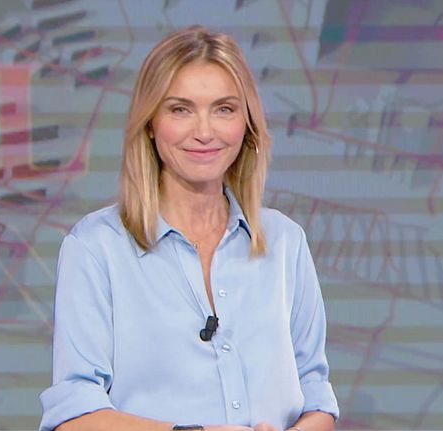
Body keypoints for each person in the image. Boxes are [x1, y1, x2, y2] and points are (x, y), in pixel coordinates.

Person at [39, 26, 339, 431]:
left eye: (224, 109)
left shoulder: (285, 241)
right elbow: (73, 416)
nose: (204, 132)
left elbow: (316, 396)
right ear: (150, 123)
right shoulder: (97, 247)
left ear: (247, 124)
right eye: (180, 110)